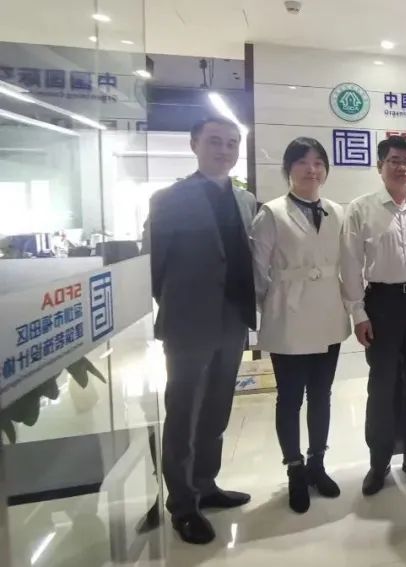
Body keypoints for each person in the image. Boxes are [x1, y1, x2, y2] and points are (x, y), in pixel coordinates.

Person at [147, 116, 256, 544]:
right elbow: (154, 268)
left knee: (217, 407)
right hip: (188, 323)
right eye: (215, 141)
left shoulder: (245, 200)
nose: (224, 150)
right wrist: (180, 308)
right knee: (184, 412)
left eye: (232, 143)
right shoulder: (169, 199)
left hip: (233, 319)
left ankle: (206, 484)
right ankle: (182, 504)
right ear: (194, 144)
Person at [250, 137, 350, 513]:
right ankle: (294, 469)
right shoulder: (271, 213)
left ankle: (316, 463)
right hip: (288, 317)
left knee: (322, 394)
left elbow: (347, 262)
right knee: (290, 398)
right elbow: (257, 272)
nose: (312, 169)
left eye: (319, 162)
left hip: (328, 314)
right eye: (303, 162)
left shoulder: (337, 211)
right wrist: (275, 305)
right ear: (288, 169)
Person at [341, 135, 406, 496]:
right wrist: (358, 313)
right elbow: (349, 265)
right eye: (395, 161)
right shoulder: (361, 209)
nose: (402, 167)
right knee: (382, 387)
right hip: (382, 304)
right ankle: (379, 462)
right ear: (380, 166)